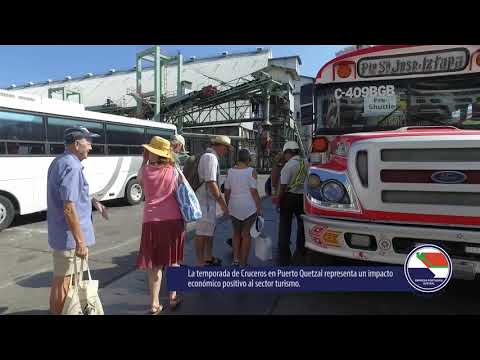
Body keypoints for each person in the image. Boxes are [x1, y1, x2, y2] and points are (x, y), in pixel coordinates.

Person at [47, 126, 108, 315]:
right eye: (88, 141)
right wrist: (80, 242)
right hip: (70, 239)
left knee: (68, 280)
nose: (90, 146)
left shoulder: (60, 161)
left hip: (65, 235)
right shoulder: (71, 166)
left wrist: (92, 201)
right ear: (77, 144)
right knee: (63, 282)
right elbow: (68, 207)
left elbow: (70, 196)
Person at [136, 136, 185, 314]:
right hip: (173, 221)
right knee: (173, 262)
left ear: (152, 153)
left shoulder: (144, 171)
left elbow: (140, 181)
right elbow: (181, 190)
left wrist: (143, 160)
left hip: (151, 222)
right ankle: (172, 297)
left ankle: (154, 303)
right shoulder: (174, 171)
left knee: (155, 265)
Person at [194, 135, 232, 266]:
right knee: (201, 234)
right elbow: (211, 182)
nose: (226, 151)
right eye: (226, 148)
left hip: (207, 202)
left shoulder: (210, 157)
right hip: (205, 203)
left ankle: (207, 258)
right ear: (220, 146)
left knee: (208, 232)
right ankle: (200, 263)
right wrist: (223, 205)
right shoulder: (210, 158)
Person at [224, 149, 262, 266]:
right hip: (248, 206)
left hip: (234, 205)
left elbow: (226, 191)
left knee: (235, 233)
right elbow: (254, 191)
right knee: (246, 235)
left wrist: (227, 205)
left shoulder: (229, 171)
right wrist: (259, 207)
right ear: (248, 159)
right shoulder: (252, 171)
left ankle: (235, 259)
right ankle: (243, 262)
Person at [277, 141, 308, 266]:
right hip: (303, 198)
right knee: (302, 226)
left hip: (289, 198)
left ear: (288, 152)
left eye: (285, 154)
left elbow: (282, 187)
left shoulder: (288, 166)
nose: (284, 156)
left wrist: (278, 202)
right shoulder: (306, 163)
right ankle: (301, 253)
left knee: (285, 226)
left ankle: (284, 256)